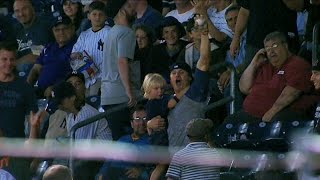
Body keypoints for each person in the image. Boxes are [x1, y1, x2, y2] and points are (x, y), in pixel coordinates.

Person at [225, 31, 316, 124]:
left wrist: (271, 113)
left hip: (275, 116)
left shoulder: (297, 64)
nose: (271, 52)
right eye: (267, 48)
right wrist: (254, 63)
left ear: (285, 45)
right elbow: (244, 88)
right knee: (229, 123)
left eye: (275, 46)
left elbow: (292, 93)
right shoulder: (264, 65)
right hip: (251, 114)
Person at [148, 15, 211, 148]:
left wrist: (204, 32)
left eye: (182, 73)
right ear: (169, 79)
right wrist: (149, 123)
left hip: (195, 157)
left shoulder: (196, 91)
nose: (177, 75)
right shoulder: (164, 99)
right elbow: (147, 118)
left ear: (189, 77)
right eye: (174, 73)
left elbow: (204, 60)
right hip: (174, 160)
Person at [101, 2, 138, 140]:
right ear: (121, 12)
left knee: (117, 139)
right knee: (126, 140)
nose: (133, 9)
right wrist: (129, 90)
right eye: (129, 7)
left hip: (107, 93)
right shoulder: (126, 32)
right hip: (120, 94)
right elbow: (122, 61)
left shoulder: (111, 32)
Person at [97, 104, 150, 180]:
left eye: (145, 119)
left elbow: (155, 165)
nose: (141, 123)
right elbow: (108, 160)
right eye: (137, 119)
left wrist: (141, 170)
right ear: (132, 123)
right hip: (111, 174)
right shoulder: (122, 139)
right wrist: (101, 174)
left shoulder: (151, 141)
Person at [27, 15, 75, 98]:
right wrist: (26, 88)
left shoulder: (78, 47)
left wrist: (56, 87)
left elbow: (76, 74)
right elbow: (35, 69)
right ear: (53, 31)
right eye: (57, 30)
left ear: (73, 28)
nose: (61, 33)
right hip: (39, 91)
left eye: (65, 28)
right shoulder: (48, 47)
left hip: (60, 93)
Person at [71, 1, 111, 96]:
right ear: (89, 16)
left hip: (103, 78)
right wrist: (76, 55)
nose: (97, 17)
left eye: (101, 14)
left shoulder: (110, 32)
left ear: (105, 16)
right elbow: (72, 55)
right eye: (94, 14)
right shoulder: (84, 35)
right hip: (85, 78)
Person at [142, 73, 177, 179]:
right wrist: (179, 95)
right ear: (148, 90)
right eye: (156, 88)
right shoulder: (154, 103)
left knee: (165, 166)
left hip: (157, 139)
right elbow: (171, 104)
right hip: (159, 139)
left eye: (161, 88)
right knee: (161, 166)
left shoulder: (151, 103)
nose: (160, 91)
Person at [0, 41, 37, 138]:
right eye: (4, 59)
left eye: (11, 59)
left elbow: (32, 120)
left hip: (16, 146)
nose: (8, 63)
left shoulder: (24, 86)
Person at [13, 0, 53, 76]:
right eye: (17, 11)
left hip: (39, 70)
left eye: (24, 9)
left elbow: (37, 55)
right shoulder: (16, 29)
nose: (21, 14)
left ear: (33, 9)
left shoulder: (42, 26)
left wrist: (14, 63)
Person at [146, 16, 188, 82]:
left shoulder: (188, 47)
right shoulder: (155, 51)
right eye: (166, 32)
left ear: (179, 32)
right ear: (162, 35)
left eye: (173, 31)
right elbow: (150, 74)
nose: (170, 35)